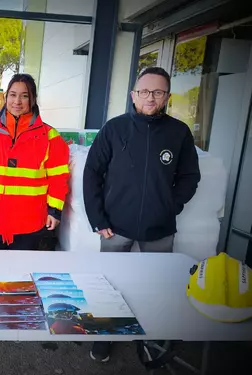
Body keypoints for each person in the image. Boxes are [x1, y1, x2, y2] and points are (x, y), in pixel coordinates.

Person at [83, 66, 201, 363]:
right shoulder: (115, 128)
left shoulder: (179, 133)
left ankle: (151, 337)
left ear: (167, 96)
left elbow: (190, 176)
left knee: (157, 285)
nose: (151, 97)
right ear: (134, 94)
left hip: (159, 228)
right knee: (109, 282)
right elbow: (92, 173)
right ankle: (105, 336)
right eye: (145, 91)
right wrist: (98, 218)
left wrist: (170, 207)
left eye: (158, 92)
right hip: (114, 225)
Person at [0, 73, 70, 350]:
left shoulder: (50, 136)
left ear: (32, 99)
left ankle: (27, 322)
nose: (17, 101)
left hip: (29, 222)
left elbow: (58, 178)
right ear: (4, 97)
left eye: (24, 95)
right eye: (12, 95)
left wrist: (54, 210)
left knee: (25, 276)